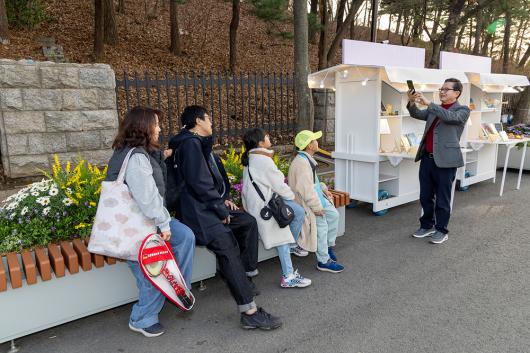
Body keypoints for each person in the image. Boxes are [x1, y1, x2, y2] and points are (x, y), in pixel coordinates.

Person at [170, 105, 281, 330]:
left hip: (204, 208)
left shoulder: (190, 143)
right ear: (198, 121)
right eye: (208, 118)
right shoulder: (190, 144)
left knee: (246, 223)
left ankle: (242, 276)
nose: (212, 122)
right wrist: (220, 210)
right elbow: (199, 183)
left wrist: (221, 203)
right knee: (228, 250)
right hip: (200, 214)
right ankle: (249, 311)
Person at [105, 106, 195, 337]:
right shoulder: (135, 158)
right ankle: (142, 317)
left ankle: (174, 287)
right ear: (144, 128)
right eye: (156, 124)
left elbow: (151, 173)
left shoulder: (137, 152)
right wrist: (164, 224)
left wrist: (164, 154)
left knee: (185, 237)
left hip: (147, 220)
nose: (160, 128)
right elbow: (147, 197)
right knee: (149, 272)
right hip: (135, 226)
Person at [241, 128, 311, 288]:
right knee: (283, 235)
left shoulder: (251, 158)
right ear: (260, 142)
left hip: (258, 207)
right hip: (266, 210)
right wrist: (291, 197)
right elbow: (278, 184)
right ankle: (288, 277)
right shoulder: (263, 160)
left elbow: (245, 189)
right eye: (266, 136)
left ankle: (292, 246)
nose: (269, 137)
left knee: (298, 213)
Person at [407, 78, 470, 244]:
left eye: (446, 89)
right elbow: (416, 114)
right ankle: (427, 225)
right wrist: (411, 101)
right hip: (427, 159)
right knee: (425, 196)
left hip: (446, 162)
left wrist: (430, 103)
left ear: (456, 93)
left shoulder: (463, 110)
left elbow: (450, 117)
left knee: (443, 198)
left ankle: (441, 229)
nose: (442, 91)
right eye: (441, 88)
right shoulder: (435, 109)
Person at [288, 130, 345, 273]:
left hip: (318, 198)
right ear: (309, 145)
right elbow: (306, 189)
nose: (317, 142)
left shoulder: (306, 159)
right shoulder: (301, 163)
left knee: (334, 216)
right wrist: (316, 207)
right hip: (311, 204)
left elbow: (313, 182)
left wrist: (323, 188)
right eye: (314, 140)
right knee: (321, 228)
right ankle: (323, 260)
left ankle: (327, 246)